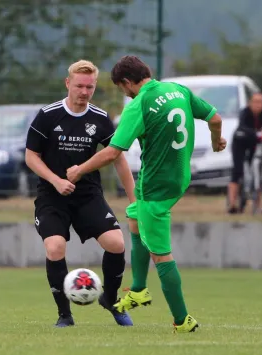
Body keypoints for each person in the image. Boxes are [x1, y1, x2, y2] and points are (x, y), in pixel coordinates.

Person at [66, 55, 225, 332]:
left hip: (156, 186)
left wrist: (79, 171)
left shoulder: (139, 105)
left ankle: (182, 320)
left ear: (127, 83)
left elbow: (114, 152)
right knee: (134, 219)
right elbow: (215, 118)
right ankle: (138, 289)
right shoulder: (178, 90)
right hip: (179, 176)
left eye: (122, 88)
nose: (124, 94)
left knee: (161, 255)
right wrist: (216, 141)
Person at [25, 60, 137, 328]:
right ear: (68, 84)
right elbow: (31, 156)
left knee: (116, 243)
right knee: (55, 246)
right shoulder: (48, 115)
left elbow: (118, 157)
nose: (84, 92)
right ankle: (65, 314)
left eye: (90, 87)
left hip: (88, 194)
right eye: (79, 86)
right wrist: (55, 180)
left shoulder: (99, 119)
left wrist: (135, 200)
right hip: (52, 195)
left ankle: (110, 299)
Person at [227, 92, 262, 213]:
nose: (258, 105)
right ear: (250, 103)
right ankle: (232, 204)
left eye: (260, 102)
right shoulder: (244, 113)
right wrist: (256, 133)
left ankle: (257, 204)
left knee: (257, 170)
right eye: (255, 102)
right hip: (240, 142)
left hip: (253, 144)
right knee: (238, 171)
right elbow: (242, 127)